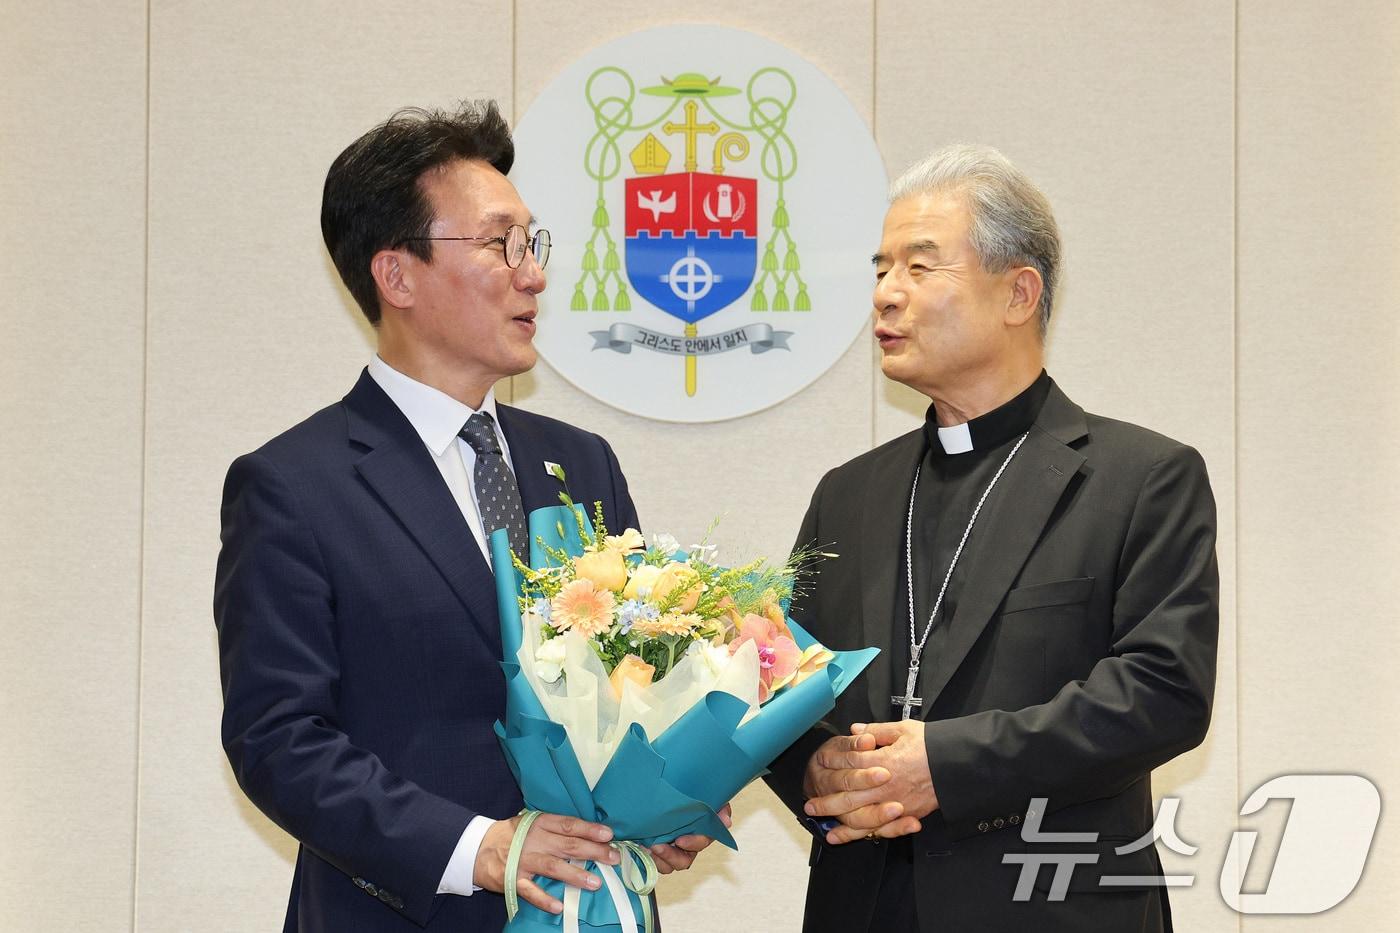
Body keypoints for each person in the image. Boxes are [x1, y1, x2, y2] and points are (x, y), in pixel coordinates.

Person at [215, 101, 715, 932]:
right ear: (397, 275)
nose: (534, 274)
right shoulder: (295, 487)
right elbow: (278, 739)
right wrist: (477, 846)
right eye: (499, 244)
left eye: (533, 243)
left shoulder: (581, 462)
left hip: (592, 909)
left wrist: (667, 799)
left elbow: (638, 681)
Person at [763, 145, 1219, 932]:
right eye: (880, 269)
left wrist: (943, 765)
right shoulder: (848, 493)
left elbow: (1162, 694)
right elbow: (776, 680)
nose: (885, 295)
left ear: (1019, 293)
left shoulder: (1141, 478)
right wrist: (815, 765)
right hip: (864, 904)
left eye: (919, 267)